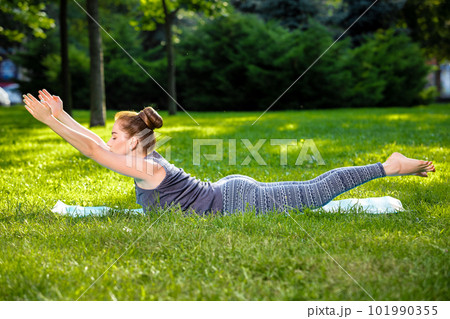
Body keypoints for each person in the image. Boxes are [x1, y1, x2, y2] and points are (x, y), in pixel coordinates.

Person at [23, 89, 436, 216]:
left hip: (239, 200)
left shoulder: (144, 165)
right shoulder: (142, 158)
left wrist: (50, 122)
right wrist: (63, 115)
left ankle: (388, 165)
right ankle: (378, 188)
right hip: (224, 193)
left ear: (132, 142)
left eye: (115, 134)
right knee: (310, 204)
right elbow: (96, 144)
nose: (108, 138)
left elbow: (95, 151)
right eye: (111, 134)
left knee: (312, 193)